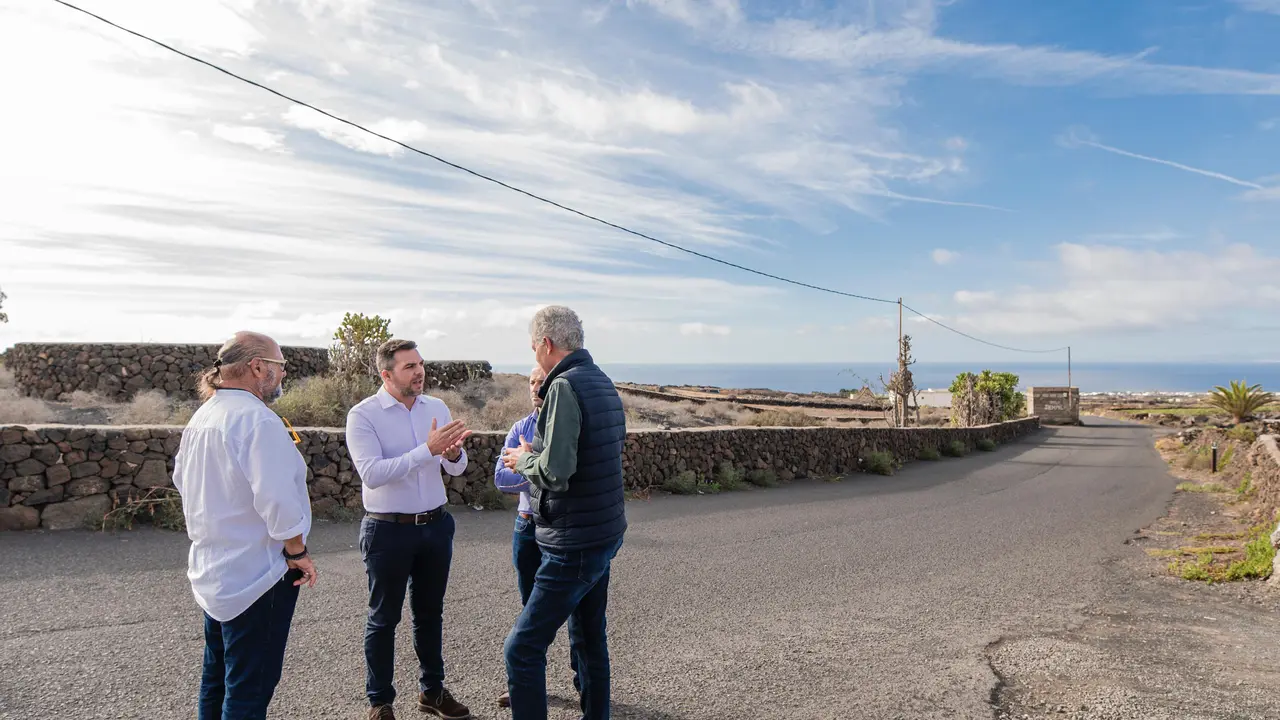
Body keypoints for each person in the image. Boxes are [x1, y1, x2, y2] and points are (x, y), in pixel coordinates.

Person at [173, 331, 318, 720]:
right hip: (258, 574)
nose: (283, 374)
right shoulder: (257, 420)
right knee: (249, 689)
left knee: (216, 678)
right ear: (257, 367)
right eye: (279, 366)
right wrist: (297, 551)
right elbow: (276, 498)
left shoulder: (203, 417)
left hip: (213, 570)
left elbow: (180, 481)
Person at [501, 306, 627, 720]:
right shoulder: (602, 382)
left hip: (573, 540)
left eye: (533, 345)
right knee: (590, 638)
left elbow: (555, 472)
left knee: (522, 648)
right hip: (603, 531)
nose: (534, 352)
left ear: (546, 344)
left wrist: (522, 460)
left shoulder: (563, 387)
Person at [345, 339, 474, 720]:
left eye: (420, 364)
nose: (419, 372)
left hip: (435, 526)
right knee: (383, 618)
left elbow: (456, 468)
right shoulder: (363, 415)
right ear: (386, 375)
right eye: (409, 367)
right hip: (388, 530)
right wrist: (428, 450)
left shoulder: (435, 406)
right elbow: (371, 474)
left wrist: (452, 454)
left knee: (430, 614)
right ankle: (379, 702)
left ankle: (432, 692)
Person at [492, 365, 577, 709]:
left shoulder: (565, 423)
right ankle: (529, 688)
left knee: (575, 610)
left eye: (542, 381)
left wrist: (526, 465)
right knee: (530, 613)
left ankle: (584, 684)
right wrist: (540, 470)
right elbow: (500, 479)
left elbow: (565, 475)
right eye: (531, 381)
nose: (536, 387)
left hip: (559, 528)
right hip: (527, 526)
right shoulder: (520, 428)